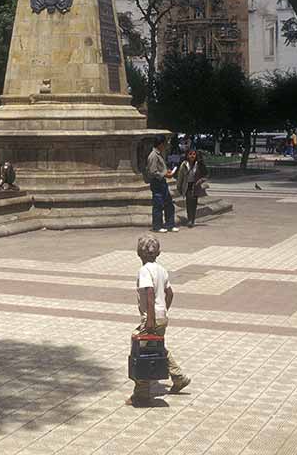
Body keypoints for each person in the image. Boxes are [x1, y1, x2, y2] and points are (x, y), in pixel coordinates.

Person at [126, 234, 190, 406]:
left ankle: (141, 393)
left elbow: (149, 293)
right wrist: (163, 310)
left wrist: (151, 319)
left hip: (151, 317)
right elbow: (170, 293)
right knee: (157, 347)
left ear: (139, 253)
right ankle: (179, 377)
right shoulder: (162, 270)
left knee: (142, 350)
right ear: (158, 253)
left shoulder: (145, 270)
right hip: (161, 316)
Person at [146, 135, 178, 233]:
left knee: (169, 204)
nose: (166, 145)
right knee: (158, 204)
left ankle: (170, 224)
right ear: (160, 144)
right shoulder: (153, 155)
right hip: (157, 182)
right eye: (165, 143)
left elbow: (160, 169)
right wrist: (165, 174)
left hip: (162, 182)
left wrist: (166, 171)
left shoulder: (159, 154)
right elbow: (153, 172)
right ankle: (157, 226)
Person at [177, 150, 208, 228]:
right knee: (189, 202)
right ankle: (189, 219)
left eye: (194, 154)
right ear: (187, 155)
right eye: (190, 154)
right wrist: (179, 187)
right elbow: (180, 177)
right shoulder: (184, 164)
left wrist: (201, 180)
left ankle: (192, 219)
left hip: (195, 185)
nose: (192, 156)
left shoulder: (198, 164)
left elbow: (206, 174)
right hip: (187, 185)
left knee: (194, 203)